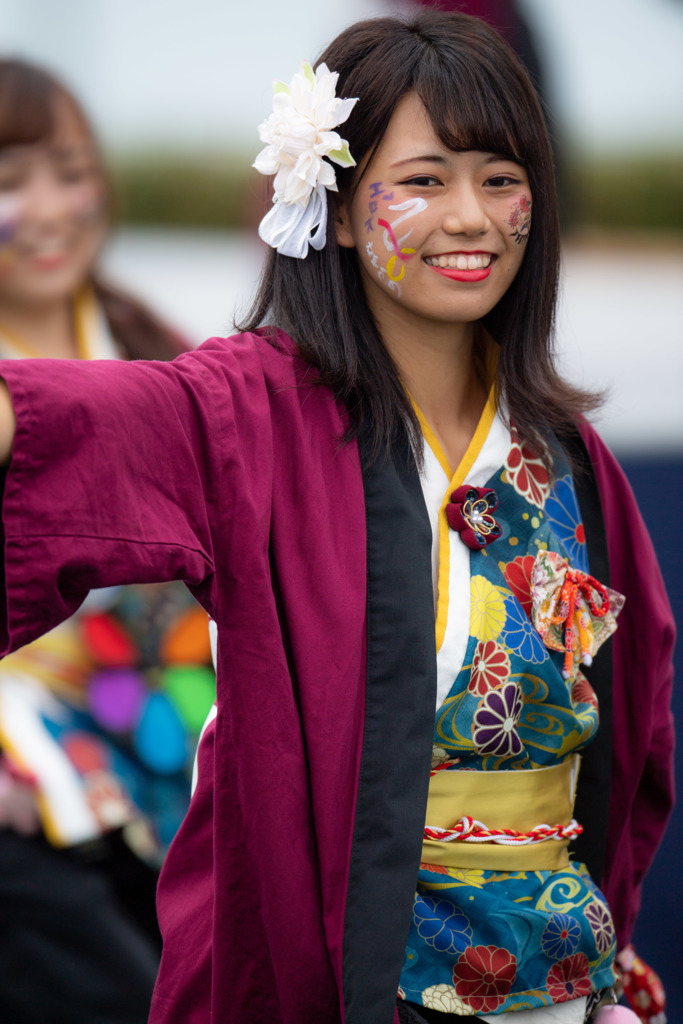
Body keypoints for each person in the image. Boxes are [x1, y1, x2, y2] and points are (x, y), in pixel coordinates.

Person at [0, 11, 674, 1024]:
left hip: (556, 977)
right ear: (344, 211)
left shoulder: (570, 458)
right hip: (358, 972)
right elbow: (85, 427)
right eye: (424, 179)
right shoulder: (254, 411)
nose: (470, 216)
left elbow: (634, 751)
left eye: (499, 177)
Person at [0, 59, 215, 1023]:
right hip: (27, 803)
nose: (48, 209)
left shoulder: (157, 348)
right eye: (8, 181)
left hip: (176, 773)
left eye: (71, 170)